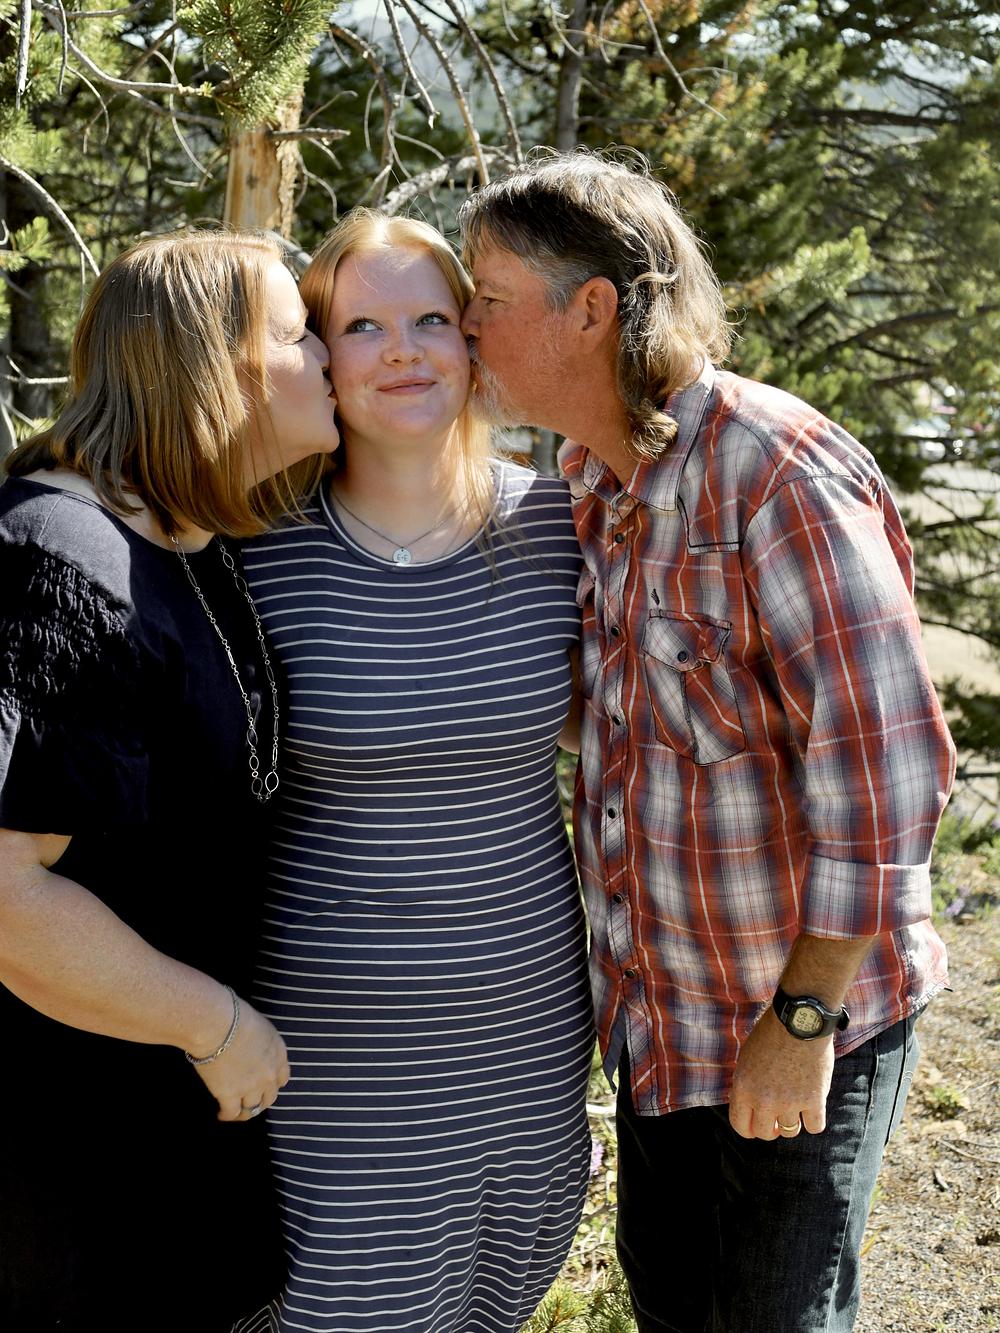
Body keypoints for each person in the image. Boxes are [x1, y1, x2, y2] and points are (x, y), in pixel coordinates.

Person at [457, 150, 956, 1333]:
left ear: (589, 309)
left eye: (486, 298)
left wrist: (803, 1019)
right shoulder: (589, 481)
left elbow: (887, 771)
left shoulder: (771, 472)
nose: (464, 325)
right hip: (662, 1027)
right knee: (678, 1306)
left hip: (796, 1019)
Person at [234, 208, 594, 1333]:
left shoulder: (565, 527)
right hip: (328, 1050)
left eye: (432, 319)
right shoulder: (252, 549)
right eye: (363, 326)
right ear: (317, 355)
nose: (402, 351)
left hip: (527, 1027)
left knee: (493, 1299)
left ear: (473, 342)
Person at [0, 230, 340, 1332]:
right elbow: (6, 893)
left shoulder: (193, 537)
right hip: (68, 1165)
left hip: (171, 1131)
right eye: (298, 334)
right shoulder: (61, 552)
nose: (327, 354)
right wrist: (216, 1024)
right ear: (217, 365)